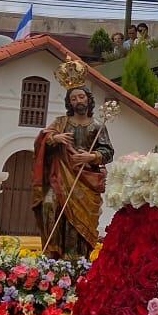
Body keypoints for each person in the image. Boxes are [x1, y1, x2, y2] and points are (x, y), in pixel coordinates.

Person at [31, 83, 113, 258]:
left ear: (88, 99)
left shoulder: (98, 126)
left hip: (85, 181)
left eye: (81, 97)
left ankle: (75, 256)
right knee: (48, 204)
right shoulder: (61, 123)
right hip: (60, 176)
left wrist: (91, 157)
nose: (78, 101)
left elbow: (108, 152)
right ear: (69, 103)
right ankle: (53, 252)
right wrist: (54, 138)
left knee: (78, 218)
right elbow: (42, 140)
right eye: (73, 99)